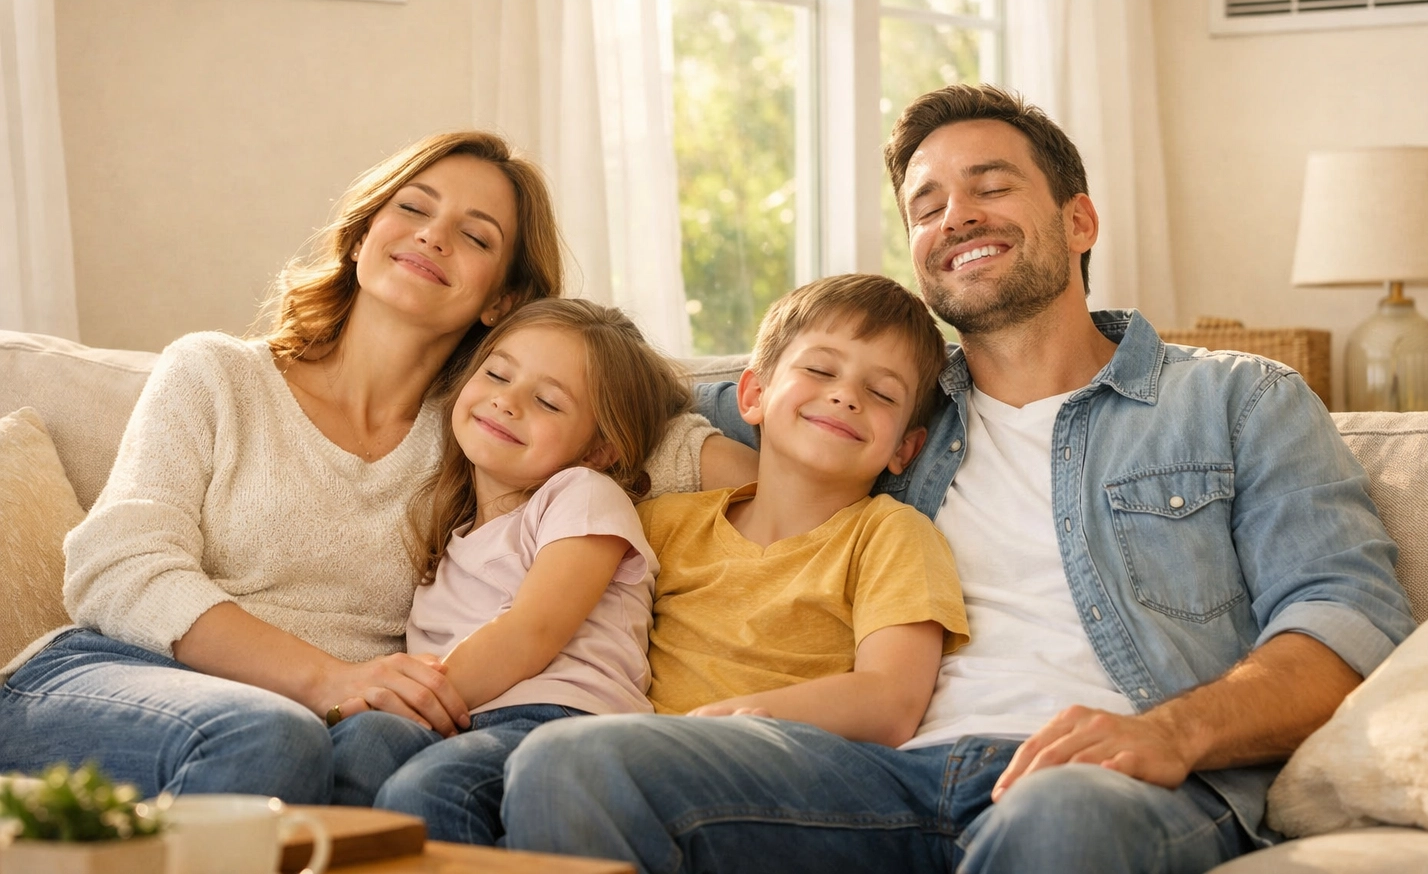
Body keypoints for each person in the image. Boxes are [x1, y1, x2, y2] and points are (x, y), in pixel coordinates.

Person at [500, 86, 1418, 873]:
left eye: (992, 186)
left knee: (1061, 816)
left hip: (1114, 781)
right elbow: (618, 387)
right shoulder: (885, 407)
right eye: (927, 204)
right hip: (881, 777)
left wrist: (1170, 732)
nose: (957, 217)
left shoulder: (1235, 399)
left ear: (1079, 221)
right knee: (575, 763)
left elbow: (1346, 620)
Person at [0, 132, 734, 802]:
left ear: (503, 300)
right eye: (413, 207)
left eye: (475, 236)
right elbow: (117, 568)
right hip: (121, 678)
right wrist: (329, 680)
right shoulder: (215, 375)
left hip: (331, 735)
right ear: (360, 238)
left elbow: (684, 445)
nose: (433, 235)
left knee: (335, 753)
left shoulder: (486, 429)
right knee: (273, 736)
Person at [327, 298, 691, 844]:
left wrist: (413, 698)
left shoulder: (582, 494)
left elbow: (531, 632)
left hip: (560, 719)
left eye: (547, 402)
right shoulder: (450, 535)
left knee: (427, 791)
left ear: (598, 450)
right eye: (497, 374)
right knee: (358, 747)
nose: (506, 400)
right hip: (462, 720)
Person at [639, 273, 967, 747]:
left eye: (882, 393)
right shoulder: (664, 524)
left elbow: (891, 701)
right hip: (631, 752)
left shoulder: (892, 536)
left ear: (905, 448)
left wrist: (722, 723)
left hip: (774, 760)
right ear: (754, 396)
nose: (846, 396)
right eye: (819, 370)